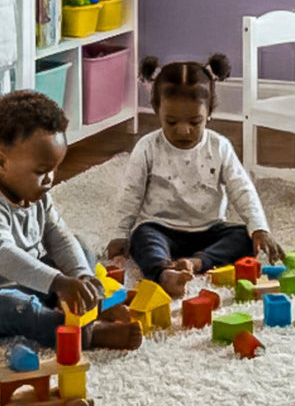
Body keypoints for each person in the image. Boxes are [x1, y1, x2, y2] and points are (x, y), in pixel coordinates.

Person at [0, 89, 142, 349]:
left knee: (81, 248)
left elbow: (58, 236)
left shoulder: (36, 193)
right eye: (41, 171)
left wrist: (81, 275)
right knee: (20, 308)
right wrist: (58, 281)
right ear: (0, 163)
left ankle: (84, 302)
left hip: (27, 279)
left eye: (54, 168)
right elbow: (4, 256)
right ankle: (88, 335)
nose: (50, 179)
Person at [106, 54, 283, 297]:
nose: (183, 130)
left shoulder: (219, 146)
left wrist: (260, 228)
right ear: (156, 110)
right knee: (142, 238)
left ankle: (195, 263)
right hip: (161, 229)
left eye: (194, 122)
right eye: (171, 122)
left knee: (245, 237)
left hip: (209, 230)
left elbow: (241, 188)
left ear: (209, 112)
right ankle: (164, 273)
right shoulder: (148, 147)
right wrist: (119, 233)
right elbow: (131, 192)